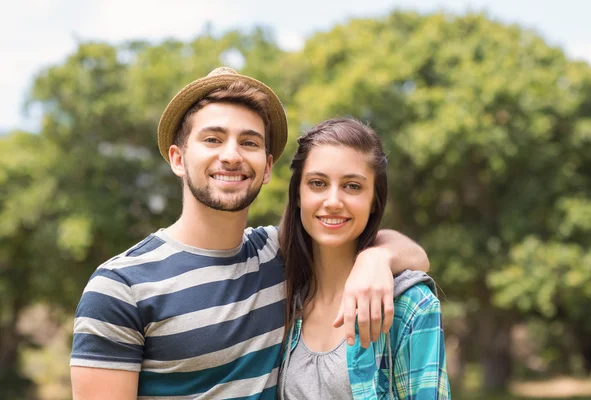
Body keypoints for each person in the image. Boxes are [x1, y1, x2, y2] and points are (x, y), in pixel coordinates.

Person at [69, 68, 430, 399]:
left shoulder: (277, 255)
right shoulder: (120, 287)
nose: (231, 156)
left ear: (268, 166)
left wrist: (375, 258)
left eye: (250, 142)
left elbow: (413, 255)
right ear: (178, 158)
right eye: (213, 139)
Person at [278, 117, 450, 399]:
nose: (333, 201)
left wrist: (378, 256)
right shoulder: (281, 290)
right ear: (298, 195)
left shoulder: (411, 305)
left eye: (352, 186)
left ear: (374, 202)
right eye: (318, 183)